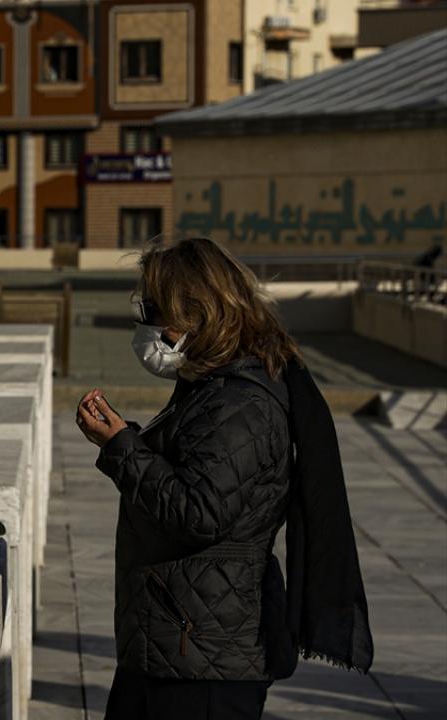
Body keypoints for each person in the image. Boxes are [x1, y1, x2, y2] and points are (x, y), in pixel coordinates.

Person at [75, 237, 372, 720]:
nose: (144, 322)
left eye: (152, 308)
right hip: (178, 642)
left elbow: (199, 513)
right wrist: (123, 438)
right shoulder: (213, 389)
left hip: (204, 657)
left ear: (196, 314)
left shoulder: (240, 404)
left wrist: (121, 449)